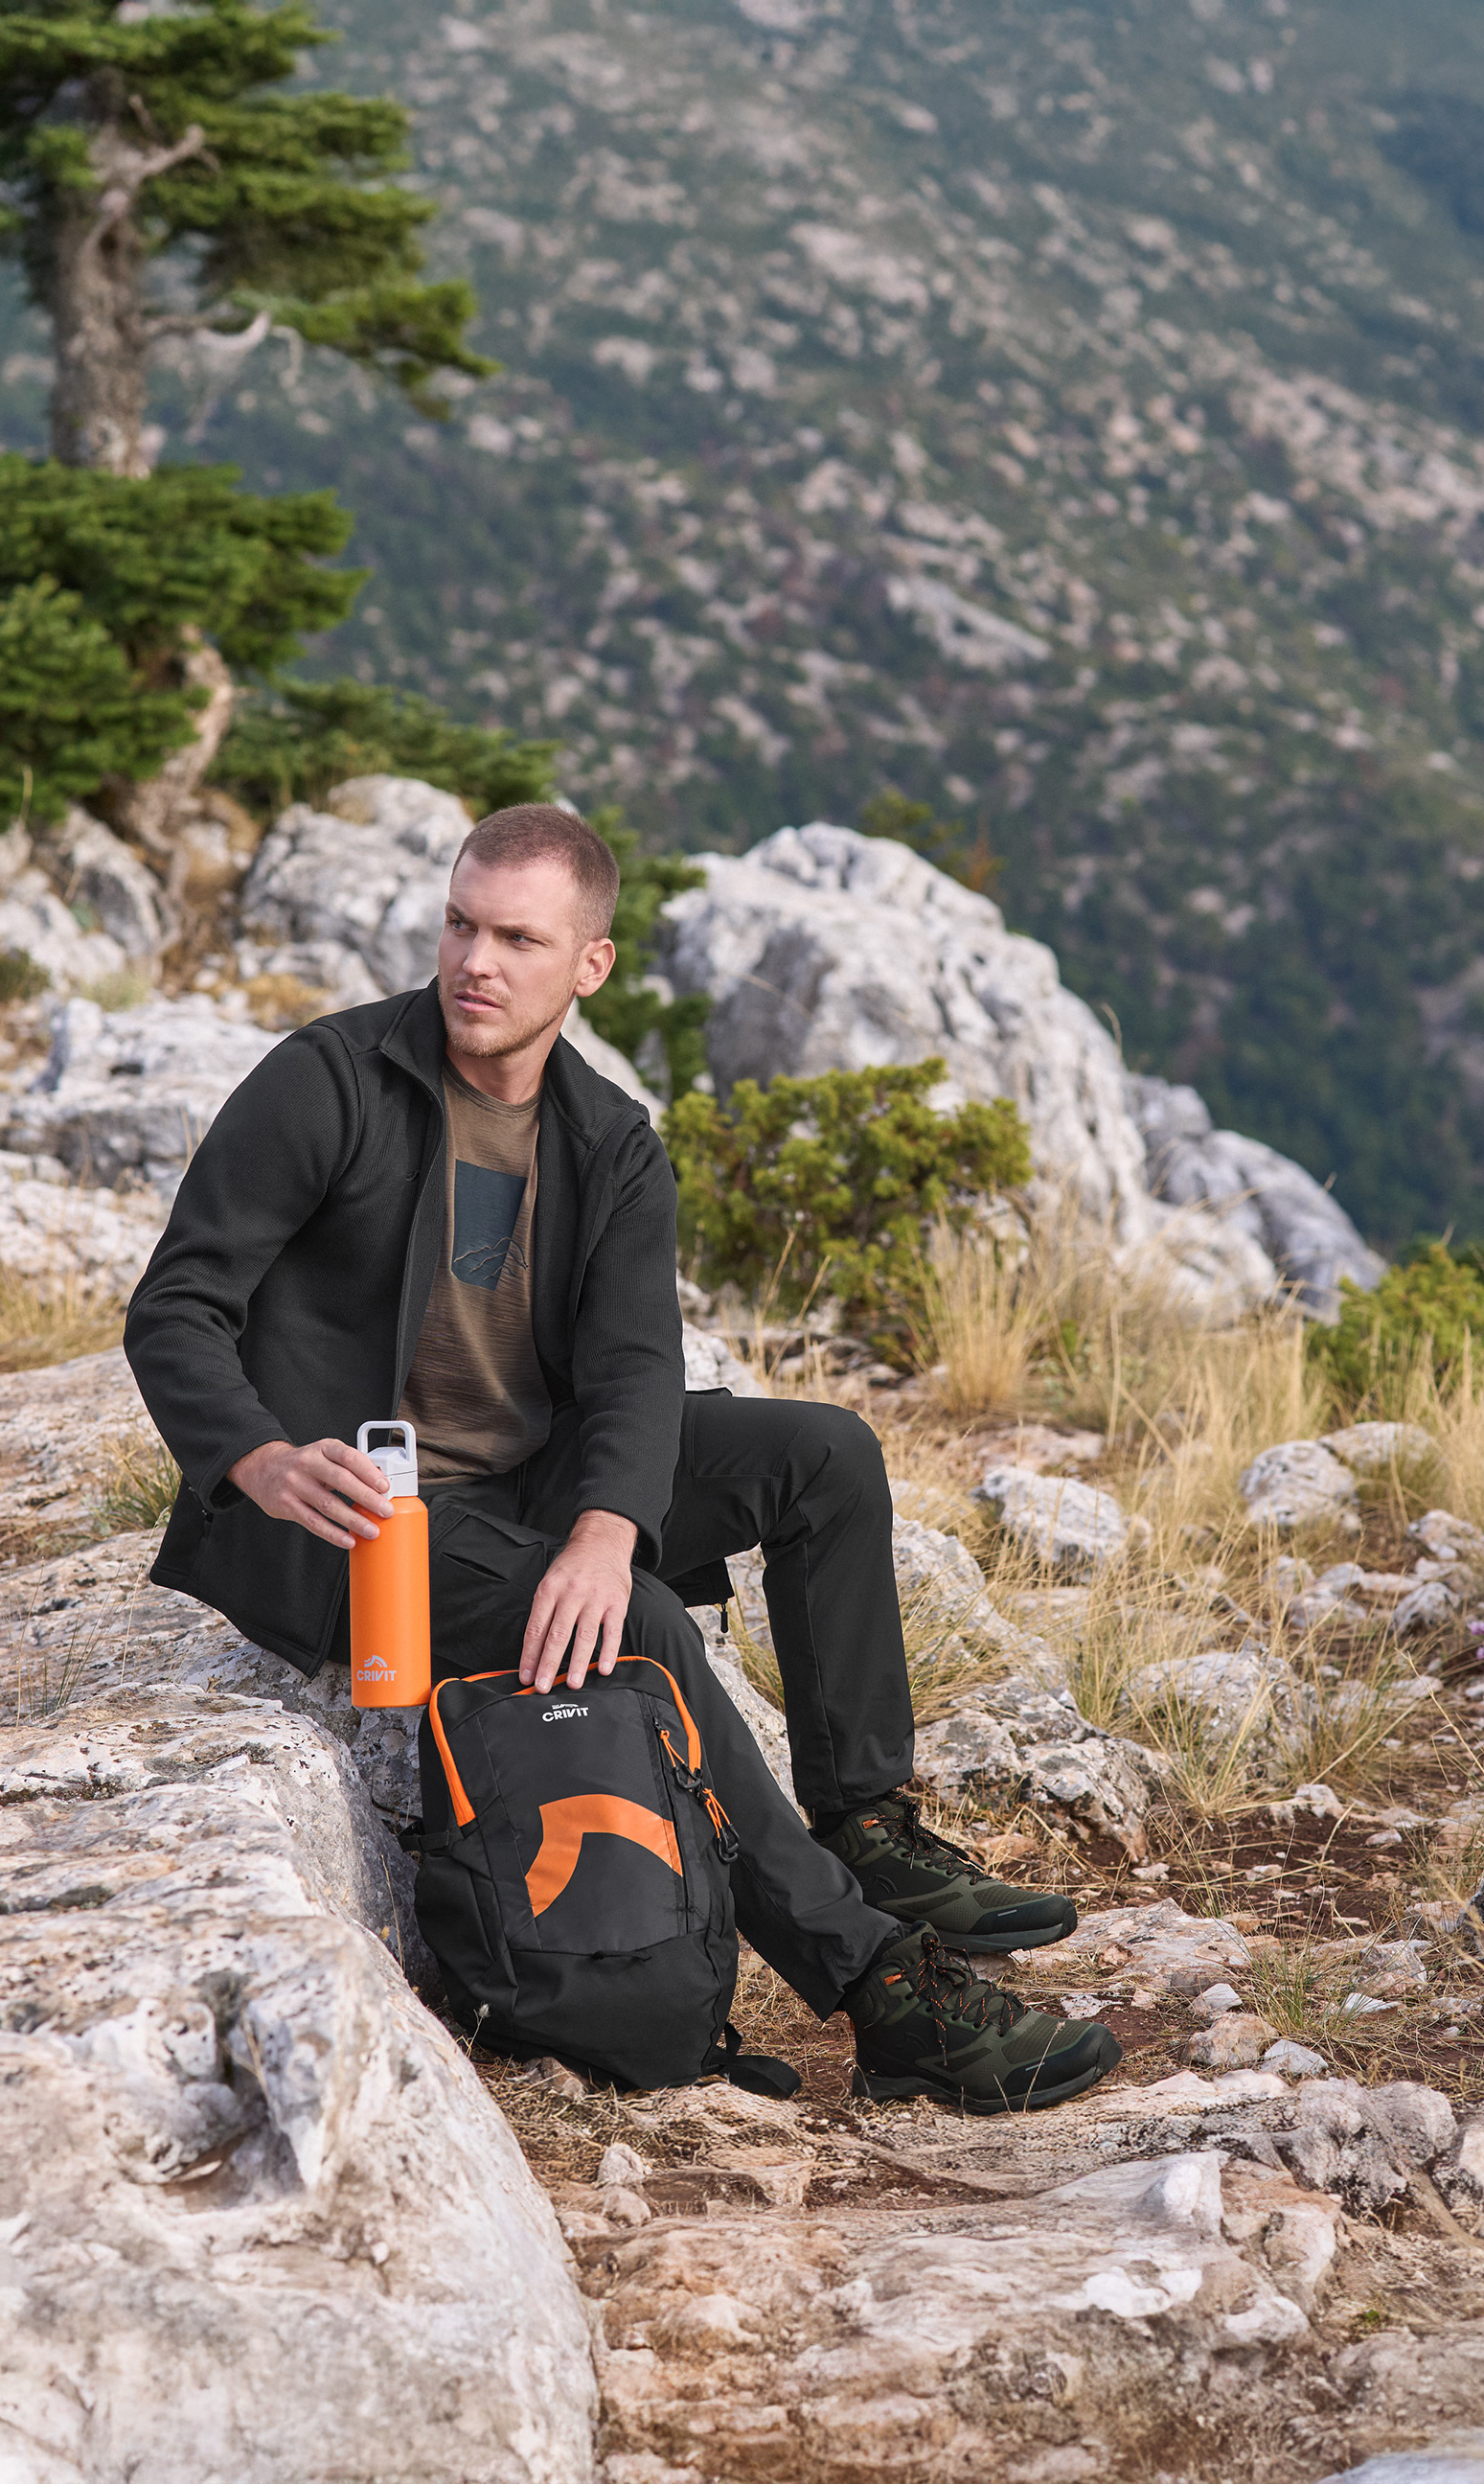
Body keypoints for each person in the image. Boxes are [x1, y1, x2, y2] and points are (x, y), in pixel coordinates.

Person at [124, 803, 1120, 2112]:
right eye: (461, 925)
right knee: (634, 1623)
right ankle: (882, 1992)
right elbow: (175, 1306)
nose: (476, 963)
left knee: (822, 1457)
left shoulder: (608, 1139)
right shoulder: (331, 1081)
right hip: (366, 1522)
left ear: (587, 965)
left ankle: (871, 1834)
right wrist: (253, 1457)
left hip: (527, 1482)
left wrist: (604, 1525)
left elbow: (640, 1370)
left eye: (518, 939)